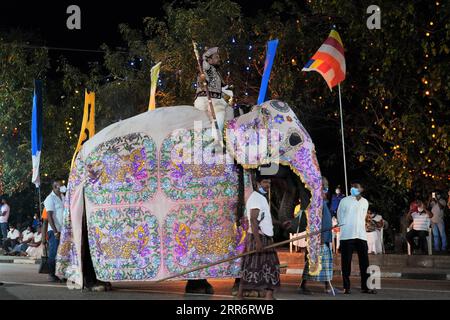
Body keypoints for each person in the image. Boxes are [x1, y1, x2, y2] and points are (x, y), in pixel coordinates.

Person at [237, 175, 281, 300]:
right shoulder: (256, 198)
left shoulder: (261, 198)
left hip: (262, 237)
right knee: (271, 265)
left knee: (253, 265)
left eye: (269, 182)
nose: (267, 185)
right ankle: (267, 296)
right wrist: (258, 242)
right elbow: (253, 220)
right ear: (257, 183)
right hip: (259, 238)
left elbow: (265, 218)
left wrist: (280, 223)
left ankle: (265, 295)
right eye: (265, 182)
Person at [337, 181, 376, 294]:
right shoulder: (344, 201)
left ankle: (366, 286)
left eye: (355, 187)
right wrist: (343, 223)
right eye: (351, 187)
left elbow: (362, 217)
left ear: (361, 189)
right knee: (346, 262)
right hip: (347, 235)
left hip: (361, 235)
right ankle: (346, 287)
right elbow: (339, 215)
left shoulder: (365, 202)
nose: (352, 189)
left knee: (364, 262)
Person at [299, 177, 335, 295]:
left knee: (325, 263)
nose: (325, 190)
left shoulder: (323, 202)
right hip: (318, 238)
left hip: (324, 237)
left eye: (326, 188)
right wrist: (319, 238)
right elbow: (316, 221)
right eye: (323, 187)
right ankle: (304, 286)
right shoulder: (316, 201)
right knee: (313, 262)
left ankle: (327, 285)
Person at [194, 46, 232, 136]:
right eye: (216, 57)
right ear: (209, 60)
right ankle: (203, 140)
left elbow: (224, 88)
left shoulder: (217, 73)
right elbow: (204, 67)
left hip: (215, 99)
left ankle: (216, 138)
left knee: (223, 114)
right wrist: (202, 79)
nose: (219, 59)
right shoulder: (208, 67)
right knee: (202, 120)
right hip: (206, 98)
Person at [44, 180, 66, 282]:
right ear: (55, 187)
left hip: (64, 229)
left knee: (62, 253)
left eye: (62, 185)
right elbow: (49, 216)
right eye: (60, 186)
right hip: (54, 230)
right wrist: (55, 231)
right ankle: (51, 274)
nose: (62, 187)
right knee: (53, 252)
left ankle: (61, 273)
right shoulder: (50, 198)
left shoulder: (63, 197)